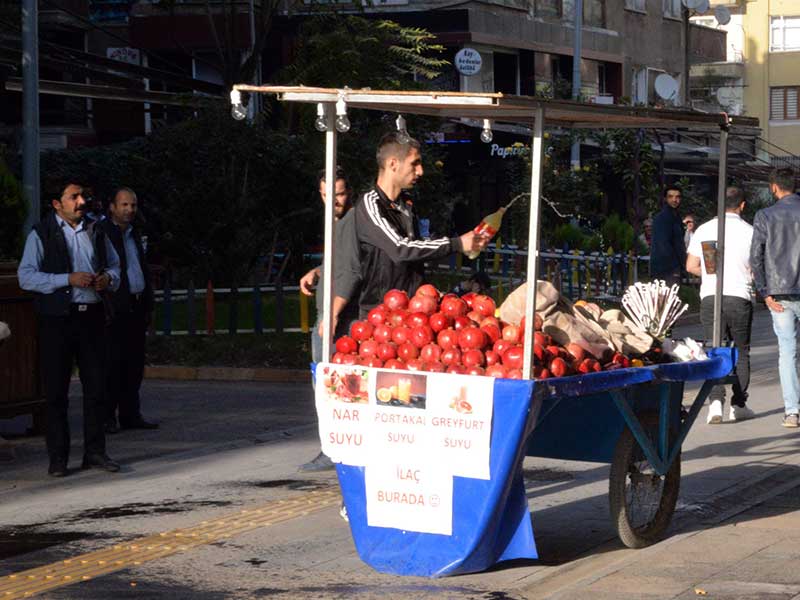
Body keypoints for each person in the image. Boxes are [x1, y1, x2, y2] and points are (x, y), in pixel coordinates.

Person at [18, 181, 122, 476]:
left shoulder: (96, 229)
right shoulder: (42, 232)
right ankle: (58, 458)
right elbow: (26, 276)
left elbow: (115, 266)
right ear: (56, 204)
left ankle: (96, 452)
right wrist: (67, 279)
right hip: (58, 319)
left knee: (97, 387)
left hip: (92, 316)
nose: (80, 202)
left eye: (82, 196)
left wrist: (108, 280)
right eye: (73, 197)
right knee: (56, 391)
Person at [351, 132, 488, 317]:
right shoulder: (370, 205)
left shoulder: (407, 204)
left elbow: (417, 252)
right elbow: (400, 248)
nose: (420, 171)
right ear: (393, 164)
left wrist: (429, 292)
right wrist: (457, 243)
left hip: (414, 311)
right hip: (380, 316)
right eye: (414, 163)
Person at [298, 168, 360, 473]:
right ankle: (335, 445)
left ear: (349, 192)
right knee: (326, 382)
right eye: (325, 195)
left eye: (338, 194)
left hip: (338, 315)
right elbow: (339, 262)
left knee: (331, 384)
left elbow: (351, 272)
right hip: (330, 311)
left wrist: (333, 313)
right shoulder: (336, 221)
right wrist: (318, 272)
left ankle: (333, 447)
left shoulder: (351, 222)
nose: (332, 201)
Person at [686, 187, 755, 424]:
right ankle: (739, 404)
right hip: (739, 297)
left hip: (710, 297)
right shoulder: (750, 232)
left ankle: (715, 403)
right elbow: (755, 269)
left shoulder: (705, 230)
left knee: (715, 349)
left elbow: (691, 265)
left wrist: (709, 276)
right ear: (742, 205)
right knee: (741, 351)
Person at [100, 187, 158, 434]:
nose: (129, 210)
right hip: (115, 306)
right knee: (112, 363)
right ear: (112, 206)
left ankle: (130, 413)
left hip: (136, 303)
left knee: (134, 363)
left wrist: (147, 303)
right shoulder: (103, 233)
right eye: (124, 205)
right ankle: (106, 416)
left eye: (132, 205)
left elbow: (140, 267)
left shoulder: (134, 234)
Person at [750, 167, 800, 428]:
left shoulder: (765, 215)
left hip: (779, 294)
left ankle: (792, 412)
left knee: (787, 352)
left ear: (774, 187)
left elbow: (755, 257)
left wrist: (764, 292)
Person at [649, 187, 686, 286]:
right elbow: (663, 244)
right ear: (665, 199)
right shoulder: (662, 218)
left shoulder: (676, 217)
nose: (674, 200)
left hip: (671, 268)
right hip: (665, 270)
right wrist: (676, 267)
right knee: (667, 299)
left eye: (677, 197)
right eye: (670, 197)